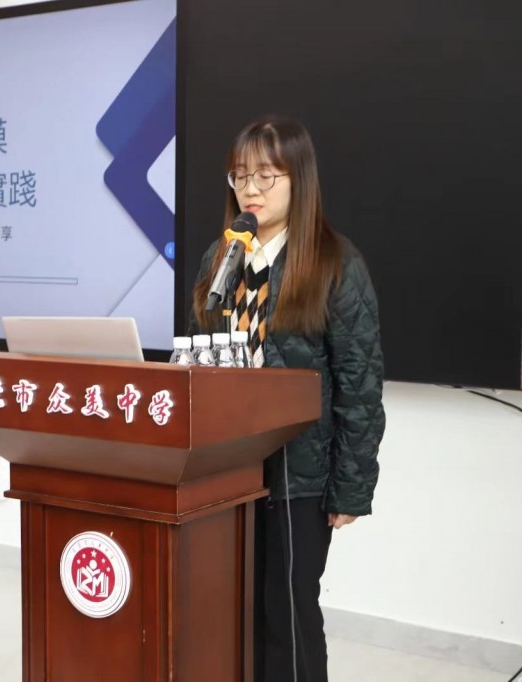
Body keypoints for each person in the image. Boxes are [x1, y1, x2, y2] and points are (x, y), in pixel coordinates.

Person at [188, 115, 385, 682]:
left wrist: (351, 487)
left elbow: (360, 385)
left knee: (288, 612)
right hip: (226, 470)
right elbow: (200, 358)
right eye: (240, 175)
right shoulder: (221, 258)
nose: (250, 189)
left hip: (299, 475)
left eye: (266, 176)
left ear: (300, 179)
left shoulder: (333, 263)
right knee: (231, 609)